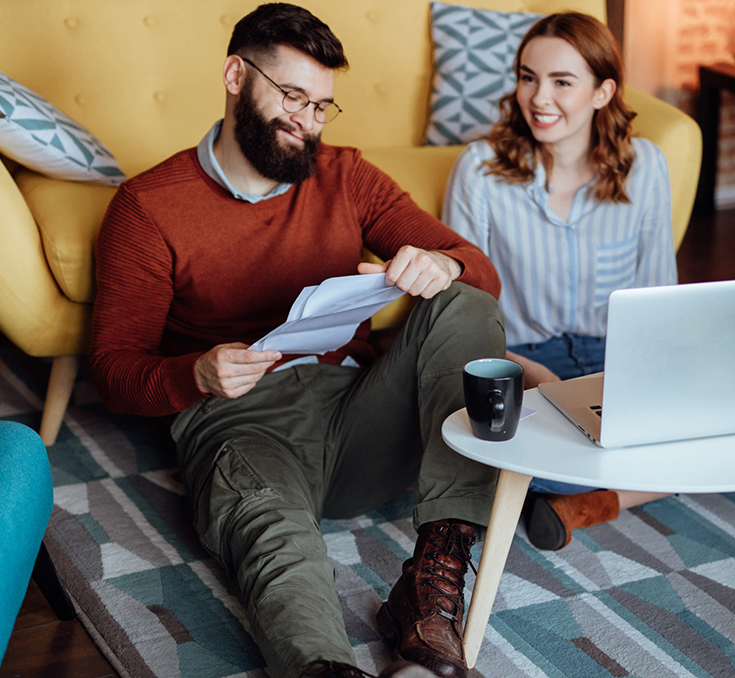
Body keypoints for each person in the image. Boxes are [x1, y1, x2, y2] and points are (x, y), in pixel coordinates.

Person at [89, 5, 505, 678]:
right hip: (241, 421)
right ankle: (321, 666)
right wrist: (195, 374)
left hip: (357, 412)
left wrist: (443, 264)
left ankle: (429, 592)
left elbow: (475, 266)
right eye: (291, 97)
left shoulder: (347, 175)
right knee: (276, 543)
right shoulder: (147, 207)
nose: (306, 122)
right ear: (234, 75)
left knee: (461, 300)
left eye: (320, 107)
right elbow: (112, 371)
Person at [443, 12, 675, 552]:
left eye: (562, 82)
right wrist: (535, 375)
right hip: (520, 361)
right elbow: (460, 314)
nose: (538, 98)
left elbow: (659, 302)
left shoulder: (646, 168)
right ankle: (613, 486)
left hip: (611, 364)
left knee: (728, 423)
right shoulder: (479, 171)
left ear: (603, 91)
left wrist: (658, 387)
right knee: (504, 446)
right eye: (528, 77)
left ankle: (584, 501)